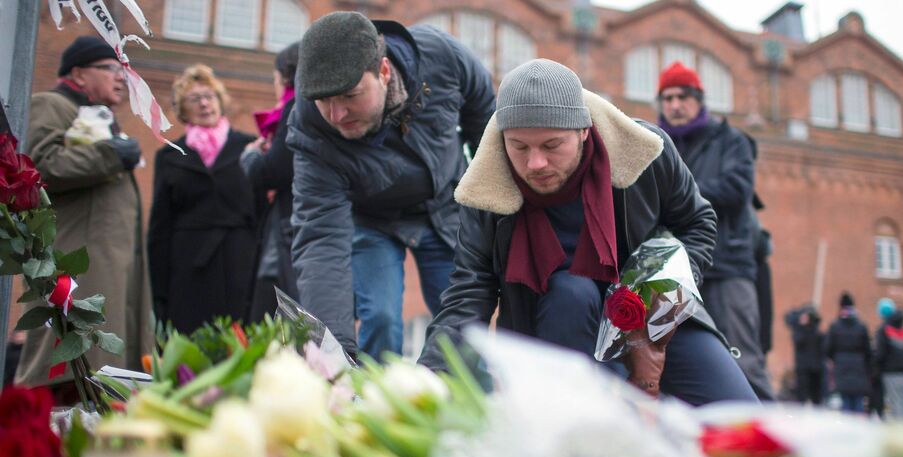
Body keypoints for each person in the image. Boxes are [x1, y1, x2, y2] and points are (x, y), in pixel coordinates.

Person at [418, 59, 757, 405]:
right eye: (519, 146)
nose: (535, 163)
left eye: (552, 145)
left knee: (742, 416)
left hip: (650, 319)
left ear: (584, 130)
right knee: (571, 294)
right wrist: (429, 377)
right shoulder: (487, 191)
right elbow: (468, 292)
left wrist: (665, 297)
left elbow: (696, 222)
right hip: (558, 321)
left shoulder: (645, 152)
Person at [288, 11, 496, 360]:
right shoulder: (312, 131)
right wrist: (330, 355)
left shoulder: (442, 57)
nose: (338, 115)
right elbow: (321, 240)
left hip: (444, 206)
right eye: (325, 101)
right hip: (373, 221)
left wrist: (491, 208)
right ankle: (369, 400)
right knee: (382, 318)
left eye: (350, 95)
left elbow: (487, 128)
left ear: (383, 71)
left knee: (464, 329)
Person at [16, 36, 151, 388]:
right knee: (64, 361)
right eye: (111, 69)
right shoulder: (52, 104)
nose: (121, 78)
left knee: (101, 366)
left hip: (105, 263)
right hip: (75, 267)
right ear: (78, 74)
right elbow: (40, 166)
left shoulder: (94, 115)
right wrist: (112, 154)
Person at [655, 61, 774, 400]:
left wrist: (677, 194)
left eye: (683, 96)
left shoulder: (731, 141)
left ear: (699, 99)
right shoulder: (655, 144)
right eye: (667, 98)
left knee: (744, 362)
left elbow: (737, 188)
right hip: (677, 270)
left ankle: (767, 444)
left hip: (727, 267)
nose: (675, 105)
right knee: (673, 363)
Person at [149, 65, 260, 334]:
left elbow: (262, 212)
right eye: (194, 98)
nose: (204, 103)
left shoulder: (250, 147)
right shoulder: (170, 156)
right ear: (182, 109)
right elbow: (160, 227)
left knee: (241, 341)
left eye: (210, 96)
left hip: (240, 262)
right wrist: (159, 293)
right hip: (189, 267)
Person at [241, 42, 301, 320]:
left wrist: (251, 157)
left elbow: (274, 172)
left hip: (290, 230)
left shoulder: (295, 108)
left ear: (285, 77)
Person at [824, 293, 872, 413]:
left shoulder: (835, 326)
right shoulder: (861, 326)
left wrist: (836, 359)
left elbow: (827, 348)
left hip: (842, 366)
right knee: (858, 401)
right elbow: (868, 350)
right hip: (859, 367)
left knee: (845, 401)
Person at [875, 307, 903, 421]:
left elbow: (880, 354)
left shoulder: (884, 331)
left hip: (890, 373)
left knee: (895, 404)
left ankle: (899, 432)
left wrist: (877, 368)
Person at [786, 304, 824, 405]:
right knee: (801, 397)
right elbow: (798, 341)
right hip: (803, 368)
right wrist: (802, 325)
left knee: (816, 397)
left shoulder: (816, 331)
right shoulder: (799, 331)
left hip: (816, 368)